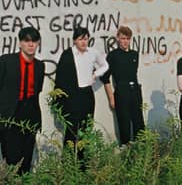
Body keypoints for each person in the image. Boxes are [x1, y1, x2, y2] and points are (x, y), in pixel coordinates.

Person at [54, 27, 108, 160]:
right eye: (80, 39)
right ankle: (68, 161)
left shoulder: (93, 53)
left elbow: (105, 65)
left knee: (86, 128)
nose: (83, 42)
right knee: (72, 129)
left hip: (87, 95)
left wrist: (95, 74)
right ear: (74, 40)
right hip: (72, 96)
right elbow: (61, 76)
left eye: (85, 39)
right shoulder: (68, 54)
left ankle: (83, 161)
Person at [0, 27, 45, 174]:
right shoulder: (6, 61)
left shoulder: (40, 66)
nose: (31, 44)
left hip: (30, 114)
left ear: (38, 44)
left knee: (27, 158)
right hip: (10, 115)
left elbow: (37, 91)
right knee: (11, 159)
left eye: (34, 41)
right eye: (27, 41)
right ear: (20, 43)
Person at [100, 26, 145, 146]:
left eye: (127, 39)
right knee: (124, 124)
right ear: (118, 39)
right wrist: (111, 98)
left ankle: (141, 152)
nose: (125, 41)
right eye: (123, 38)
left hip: (135, 90)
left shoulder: (134, 54)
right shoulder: (113, 55)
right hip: (121, 91)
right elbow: (105, 78)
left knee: (139, 123)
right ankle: (126, 152)